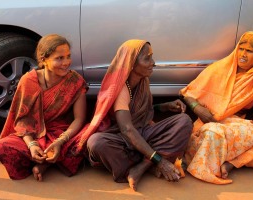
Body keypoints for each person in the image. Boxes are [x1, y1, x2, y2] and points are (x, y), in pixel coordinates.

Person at [76, 39, 192, 191]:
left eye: (152, 57)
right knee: (96, 142)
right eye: (147, 58)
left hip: (142, 132)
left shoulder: (143, 80)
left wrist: (162, 107)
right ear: (131, 63)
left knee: (184, 121)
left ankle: (141, 167)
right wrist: (161, 162)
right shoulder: (120, 89)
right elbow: (127, 129)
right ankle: (151, 160)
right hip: (121, 138)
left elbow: (142, 111)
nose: (153, 62)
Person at [180, 31, 253, 184]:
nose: (243, 54)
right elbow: (188, 93)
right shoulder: (218, 69)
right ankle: (231, 161)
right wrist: (197, 107)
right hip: (209, 124)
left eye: (249, 51)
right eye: (241, 49)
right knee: (213, 133)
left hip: (235, 131)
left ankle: (233, 163)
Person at [0, 34, 88, 181]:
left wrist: (60, 142)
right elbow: (23, 121)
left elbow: (79, 119)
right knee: (0, 147)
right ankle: (47, 159)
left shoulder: (75, 81)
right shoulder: (28, 80)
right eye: (59, 58)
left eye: (68, 56)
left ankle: (45, 162)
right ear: (44, 60)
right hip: (33, 134)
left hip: (61, 133)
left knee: (88, 138)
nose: (66, 62)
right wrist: (31, 145)